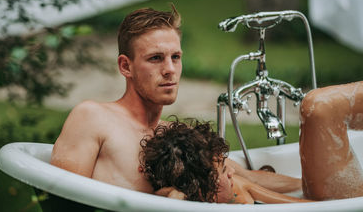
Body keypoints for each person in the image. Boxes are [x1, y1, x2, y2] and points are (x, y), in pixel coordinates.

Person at [50, 4, 301, 194]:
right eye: (155, 58)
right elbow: (58, 199)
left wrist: (321, 194)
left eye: (176, 57)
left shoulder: (173, 138)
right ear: (126, 66)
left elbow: (248, 178)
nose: (170, 69)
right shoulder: (93, 118)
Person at [140, 81, 363, 203]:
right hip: (343, 199)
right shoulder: (231, 192)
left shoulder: (237, 187)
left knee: (319, 106)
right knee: (319, 106)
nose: (231, 173)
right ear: (199, 188)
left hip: (338, 199)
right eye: (223, 170)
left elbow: (304, 203)